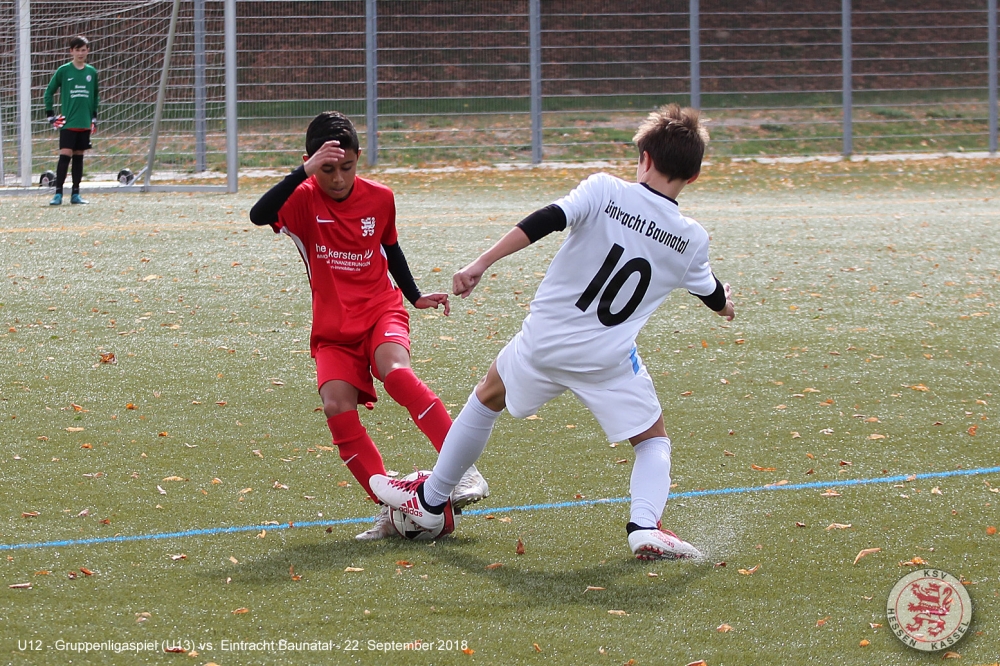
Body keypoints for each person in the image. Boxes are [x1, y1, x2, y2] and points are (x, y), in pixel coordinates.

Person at [371, 104, 734, 559]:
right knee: (652, 440)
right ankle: (644, 525)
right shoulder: (691, 238)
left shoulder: (605, 190)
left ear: (644, 157)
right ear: (693, 176)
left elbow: (546, 219)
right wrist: (726, 306)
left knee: (486, 398)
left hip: (543, 342)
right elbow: (710, 291)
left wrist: (482, 262)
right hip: (607, 359)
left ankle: (429, 501)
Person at [249, 111, 488, 540]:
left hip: (381, 309)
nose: (338, 178)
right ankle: (391, 510)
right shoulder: (301, 199)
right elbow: (258, 213)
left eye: (347, 166)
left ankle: (463, 469)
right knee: (336, 407)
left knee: (395, 371)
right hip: (333, 327)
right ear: (310, 163)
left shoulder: (380, 197)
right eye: (327, 169)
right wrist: (304, 173)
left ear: (358, 158)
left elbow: (390, 247)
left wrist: (414, 296)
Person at [44, 35, 99, 206]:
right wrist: (51, 115)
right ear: (71, 51)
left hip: (84, 122)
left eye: (83, 50)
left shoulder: (92, 72)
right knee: (65, 155)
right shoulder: (64, 70)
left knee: (79, 156)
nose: (80, 53)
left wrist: (94, 118)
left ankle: (76, 193)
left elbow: (95, 96)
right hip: (68, 122)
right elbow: (48, 92)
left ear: (87, 51)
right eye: (77, 50)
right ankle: (58, 194)